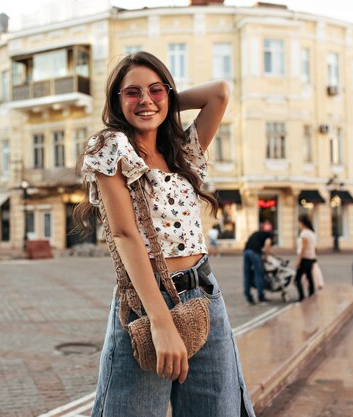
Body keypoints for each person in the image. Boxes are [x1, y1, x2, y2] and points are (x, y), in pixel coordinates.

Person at [76, 52, 255, 417]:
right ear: (116, 101)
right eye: (132, 93)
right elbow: (126, 235)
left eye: (156, 90)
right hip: (146, 303)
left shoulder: (182, 152)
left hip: (205, 295)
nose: (145, 100)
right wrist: (161, 321)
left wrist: (166, 100)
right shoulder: (111, 146)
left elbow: (219, 93)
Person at [243, 229, 273, 305]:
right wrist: (265, 257)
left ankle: (249, 298)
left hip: (246, 252)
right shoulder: (269, 236)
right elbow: (267, 244)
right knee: (258, 274)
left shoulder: (257, 233)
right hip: (255, 253)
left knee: (247, 275)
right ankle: (261, 298)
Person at [295, 214, 317, 302]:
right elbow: (315, 247)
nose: (298, 225)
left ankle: (301, 296)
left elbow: (303, 248)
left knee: (297, 279)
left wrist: (299, 261)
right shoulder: (312, 233)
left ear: (302, 223)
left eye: (299, 223)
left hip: (305, 258)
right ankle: (312, 295)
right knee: (309, 277)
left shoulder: (304, 234)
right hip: (311, 257)